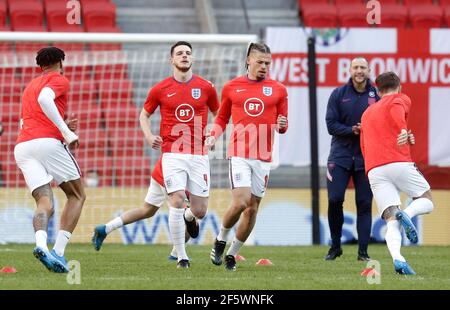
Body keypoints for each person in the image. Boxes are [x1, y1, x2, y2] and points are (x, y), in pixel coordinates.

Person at [206, 42, 288, 271]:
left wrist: (282, 125)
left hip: (263, 156)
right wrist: (213, 136)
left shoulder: (279, 89)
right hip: (239, 153)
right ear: (248, 61)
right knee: (241, 201)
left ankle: (232, 255)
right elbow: (221, 118)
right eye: (260, 62)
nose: (264, 67)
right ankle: (221, 238)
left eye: (267, 63)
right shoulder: (232, 87)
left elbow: (283, 124)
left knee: (252, 208)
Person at [137, 41, 219, 268]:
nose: (185, 56)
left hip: (199, 154)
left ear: (192, 59)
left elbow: (219, 114)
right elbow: (144, 115)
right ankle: (182, 256)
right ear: (171, 60)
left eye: (188, 53)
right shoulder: (160, 88)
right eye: (180, 53)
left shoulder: (206, 87)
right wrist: (148, 135)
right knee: (176, 199)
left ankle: (189, 217)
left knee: (200, 211)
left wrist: (213, 134)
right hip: (172, 153)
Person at [14, 47, 86, 273]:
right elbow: (46, 99)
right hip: (47, 144)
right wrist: (66, 131)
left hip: (23, 146)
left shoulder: (30, 86)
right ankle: (59, 252)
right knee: (77, 195)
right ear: (60, 62)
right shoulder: (59, 79)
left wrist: (61, 121)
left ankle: (41, 245)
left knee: (45, 203)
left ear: (40, 65)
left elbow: (29, 119)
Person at [360, 71, 434, 275]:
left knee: (390, 219)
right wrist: (403, 130)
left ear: (377, 90)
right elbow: (397, 112)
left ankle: (398, 259)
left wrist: (371, 170)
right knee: (427, 200)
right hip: (397, 161)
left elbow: (364, 145)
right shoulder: (401, 99)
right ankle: (407, 214)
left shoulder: (366, 113)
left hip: (374, 169)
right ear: (399, 86)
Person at [324, 57, 379, 261]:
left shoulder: (377, 95)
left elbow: (383, 125)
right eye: (356, 67)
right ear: (350, 70)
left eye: (363, 67)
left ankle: (363, 252)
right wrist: (352, 130)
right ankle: (335, 246)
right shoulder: (338, 94)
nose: (359, 71)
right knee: (334, 199)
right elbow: (330, 125)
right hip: (340, 156)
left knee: (364, 204)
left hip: (367, 157)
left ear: (369, 70)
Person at [91, 156, 193, 261]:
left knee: (147, 210)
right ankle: (177, 254)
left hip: (161, 169)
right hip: (173, 173)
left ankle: (106, 228)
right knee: (190, 215)